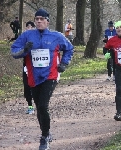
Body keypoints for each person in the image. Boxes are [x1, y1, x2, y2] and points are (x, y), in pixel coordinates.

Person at [11, 9, 74, 150]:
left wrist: (64, 63)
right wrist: (24, 50)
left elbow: (69, 49)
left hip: (50, 75)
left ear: (47, 21)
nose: (39, 21)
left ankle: (45, 136)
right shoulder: (27, 35)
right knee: (39, 107)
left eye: (42, 19)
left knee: (42, 106)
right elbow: (14, 52)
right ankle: (46, 133)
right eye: (36, 19)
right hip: (33, 76)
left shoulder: (56, 36)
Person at [23, 21, 35, 114]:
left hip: (38, 67)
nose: (29, 28)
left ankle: (40, 105)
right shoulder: (23, 38)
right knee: (27, 86)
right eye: (27, 27)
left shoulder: (39, 38)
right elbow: (17, 51)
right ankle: (30, 106)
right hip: (26, 66)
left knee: (38, 86)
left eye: (31, 27)